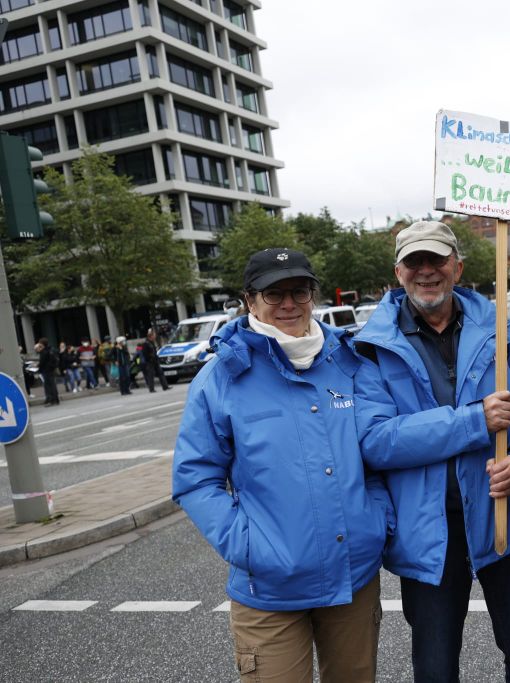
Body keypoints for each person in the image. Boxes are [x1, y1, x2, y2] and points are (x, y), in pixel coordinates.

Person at [173, 247, 393, 682]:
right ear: (249, 301)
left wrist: (375, 520)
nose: (289, 304)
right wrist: (248, 546)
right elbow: (196, 478)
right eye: (274, 295)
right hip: (268, 590)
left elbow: (378, 450)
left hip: (353, 577)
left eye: (300, 290)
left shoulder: (348, 362)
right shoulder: (219, 378)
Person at [354, 221, 510, 682]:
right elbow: (376, 440)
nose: (426, 271)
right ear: (398, 272)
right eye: (414, 262)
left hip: (504, 519)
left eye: (437, 260)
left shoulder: (498, 327)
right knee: (436, 669)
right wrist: (473, 421)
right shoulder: (371, 347)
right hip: (427, 536)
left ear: (458, 267)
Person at [35, 338, 60, 406]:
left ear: (42, 344)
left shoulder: (44, 351)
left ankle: (51, 400)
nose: (39, 345)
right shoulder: (51, 349)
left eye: (40, 344)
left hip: (46, 370)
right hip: (51, 369)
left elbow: (42, 362)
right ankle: (56, 400)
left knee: (48, 386)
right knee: (52, 385)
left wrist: (38, 366)